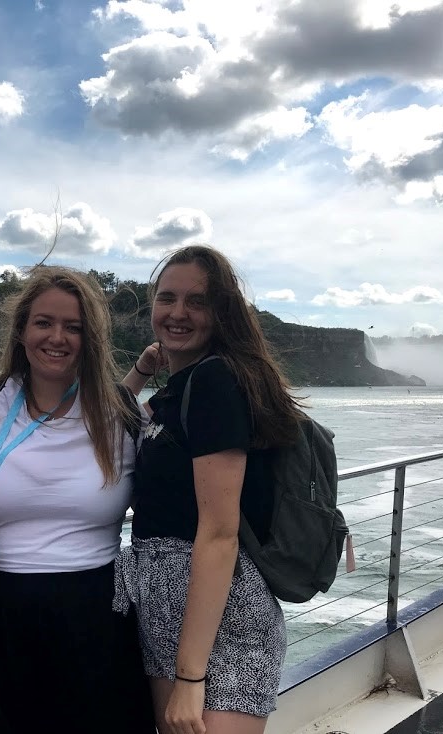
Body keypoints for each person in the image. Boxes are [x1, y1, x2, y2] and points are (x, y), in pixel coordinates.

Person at [0, 266, 154, 734]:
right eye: (44, 322)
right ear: (21, 330)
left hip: (97, 620)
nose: (56, 337)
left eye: (73, 326)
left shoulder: (122, 416)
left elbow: (176, 509)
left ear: (91, 337)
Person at [118, 245, 302, 734]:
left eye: (196, 302)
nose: (177, 313)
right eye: (166, 298)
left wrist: (190, 675)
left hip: (218, 625)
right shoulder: (174, 392)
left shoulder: (217, 382)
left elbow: (219, 533)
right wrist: (140, 370)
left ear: (221, 312)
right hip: (165, 617)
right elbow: (102, 420)